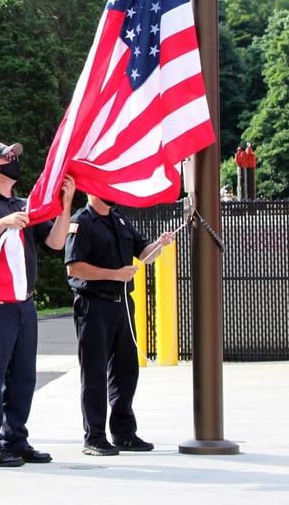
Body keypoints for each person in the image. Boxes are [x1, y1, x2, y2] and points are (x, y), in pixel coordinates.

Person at [0, 142, 75, 467]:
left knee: (24, 375)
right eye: (8, 158)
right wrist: (1, 224)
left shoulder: (26, 205)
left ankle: (16, 440)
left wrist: (65, 205)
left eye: (14, 157)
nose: (14, 161)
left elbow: (55, 242)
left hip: (24, 301)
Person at [64, 193, 174, 456]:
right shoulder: (81, 222)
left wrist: (160, 244)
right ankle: (94, 437)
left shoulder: (120, 220)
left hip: (123, 304)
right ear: (92, 189)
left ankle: (124, 432)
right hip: (94, 305)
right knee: (94, 372)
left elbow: (144, 253)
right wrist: (115, 275)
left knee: (126, 371)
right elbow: (74, 268)